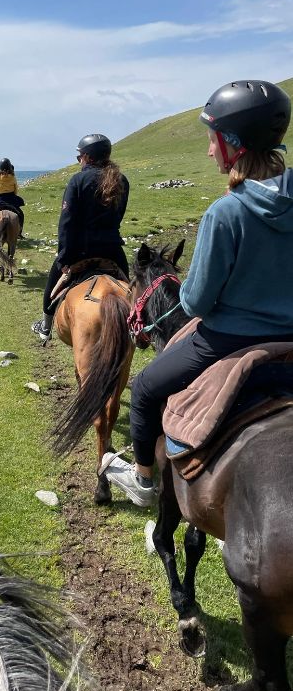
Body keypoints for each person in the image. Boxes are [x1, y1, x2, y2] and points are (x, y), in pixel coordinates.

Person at [103, 79, 293, 506]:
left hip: (229, 339)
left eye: (212, 140)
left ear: (231, 142)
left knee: (148, 387)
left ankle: (144, 480)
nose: (209, 150)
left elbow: (195, 303)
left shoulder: (226, 212)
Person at [31, 134, 130, 341]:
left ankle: (45, 326)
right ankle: (138, 325)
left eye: (80, 157)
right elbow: (118, 217)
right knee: (129, 288)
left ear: (88, 157)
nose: (79, 161)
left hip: (80, 251)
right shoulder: (122, 180)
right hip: (112, 250)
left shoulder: (78, 180)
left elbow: (67, 223)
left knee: (51, 289)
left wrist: (65, 258)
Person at [0, 158, 25, 236]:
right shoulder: (12, 177)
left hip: (0, 198)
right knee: (21, 214)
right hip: (11, 198)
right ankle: (20, 232)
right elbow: (15, 190)